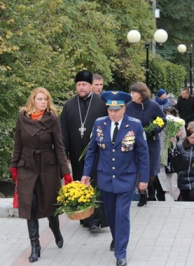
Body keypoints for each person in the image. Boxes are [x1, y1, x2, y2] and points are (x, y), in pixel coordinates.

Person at [81, 91, 149, 266]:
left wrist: (144, 179)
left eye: (116, 110)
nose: (112, 113)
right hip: (105, 178)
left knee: (122, 214)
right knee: (110, 215)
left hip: (126, 178)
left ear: (124, 109)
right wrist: (86, 174)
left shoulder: (134, 125)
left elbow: (143, 154)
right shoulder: (99, 124)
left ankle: (121, 252)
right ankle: (116, 237)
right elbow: (92, 152)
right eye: (110, 109)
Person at [9, 87, 72, 263]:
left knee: (51, 207)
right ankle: (35, 246)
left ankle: (56, 231)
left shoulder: (52, 119)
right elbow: (18, 144)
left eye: (46, 99)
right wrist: (14, 166)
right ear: (33, 101)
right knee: (31, 207)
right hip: (27, 167)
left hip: (48, 167)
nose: (43, 102)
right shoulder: (22, 118)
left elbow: (59, 147)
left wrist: (66, 173)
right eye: (40, 99)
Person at [60, 70, 108, 232]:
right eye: (79, 85)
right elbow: (63, 130)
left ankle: (95, 220)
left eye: (84, 85)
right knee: (80, 182)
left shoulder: (101, 103)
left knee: (94, 184)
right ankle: (85, 216)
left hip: (97, 153)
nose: (81, 88)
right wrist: (64, 152)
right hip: (76, 153)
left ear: (90, 86)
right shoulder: (69, 105)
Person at [125, 82, 166, 206]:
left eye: (133, 93)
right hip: (134, 144)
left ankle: (150, 186)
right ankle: (142, 193)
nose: (131, 95)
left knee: (151, 171)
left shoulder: (154, 106)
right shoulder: (128, 106)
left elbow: (163, 120)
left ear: (141, 94)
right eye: (131, 92)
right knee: (137, 169)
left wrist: (153, 130)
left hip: (151, 143)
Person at [156, 106, 185, 201]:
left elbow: (182, 139)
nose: (168, 116)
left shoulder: (178, 123)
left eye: (169, 114)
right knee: (160, 180)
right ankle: (161, 196)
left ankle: (176, 198)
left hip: (171, 157)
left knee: (173, 181)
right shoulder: (159, 124)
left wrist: (176, 138)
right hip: (161, 156)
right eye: (166, 114)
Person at [176, 129, 194, 201]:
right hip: (183, 176)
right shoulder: (180, 146)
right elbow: (174, 157)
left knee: (192, 197)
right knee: (185, 199)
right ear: (187, 137)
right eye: (191, 137)